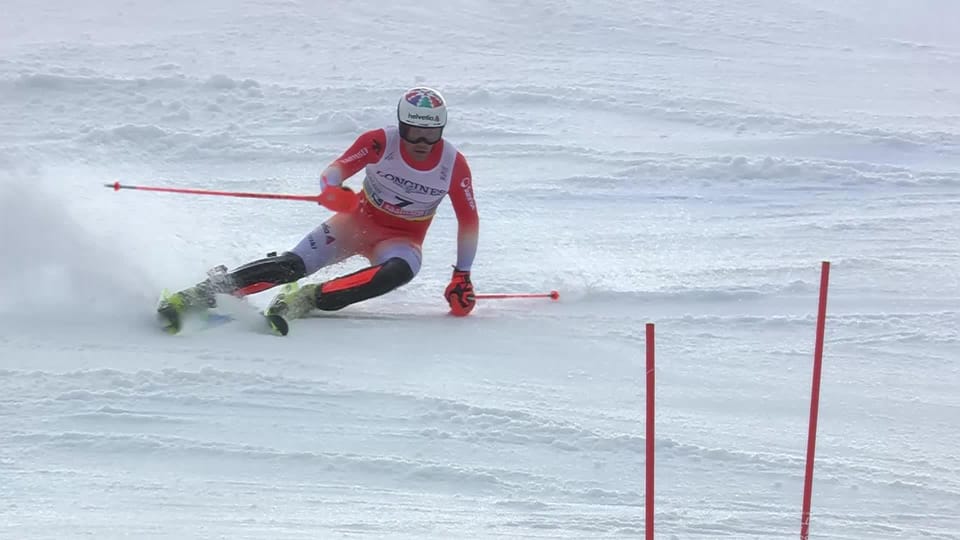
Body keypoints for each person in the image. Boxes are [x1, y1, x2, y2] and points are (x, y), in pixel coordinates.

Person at [158, 86, 479, 334]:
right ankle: (199, 294)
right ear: (401, 125)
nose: (422, 141)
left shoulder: (453, 164)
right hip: (355, 223)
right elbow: (334, 171)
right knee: (291, 266)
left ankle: (306, 298)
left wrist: (461, 277)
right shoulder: (381, 142)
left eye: (432, 133)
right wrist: (332, 191)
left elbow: (468, 220)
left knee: (398, 272)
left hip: (402, 240)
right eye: (413, 131)